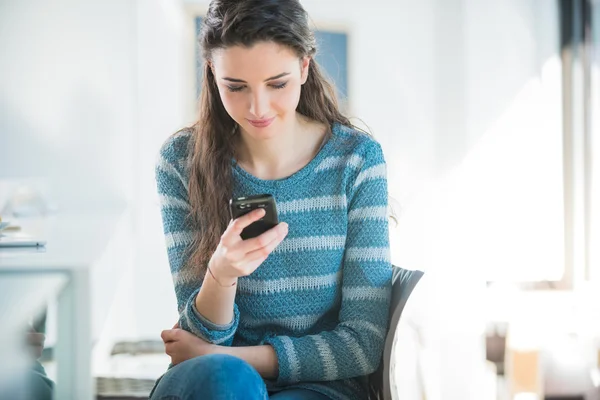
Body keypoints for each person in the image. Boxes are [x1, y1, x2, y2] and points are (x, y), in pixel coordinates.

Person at [151, 0, 392, 399]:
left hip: (319, 386)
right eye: (235, 87)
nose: (257, 108)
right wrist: (221, 274)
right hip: (214, 382)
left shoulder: (356, 160)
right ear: (212, 72)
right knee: (227, 382)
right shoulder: (180, 161)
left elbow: (362, 345)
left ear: (304, 67)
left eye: (277, 84)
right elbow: (193, 349)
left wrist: (232, 355)